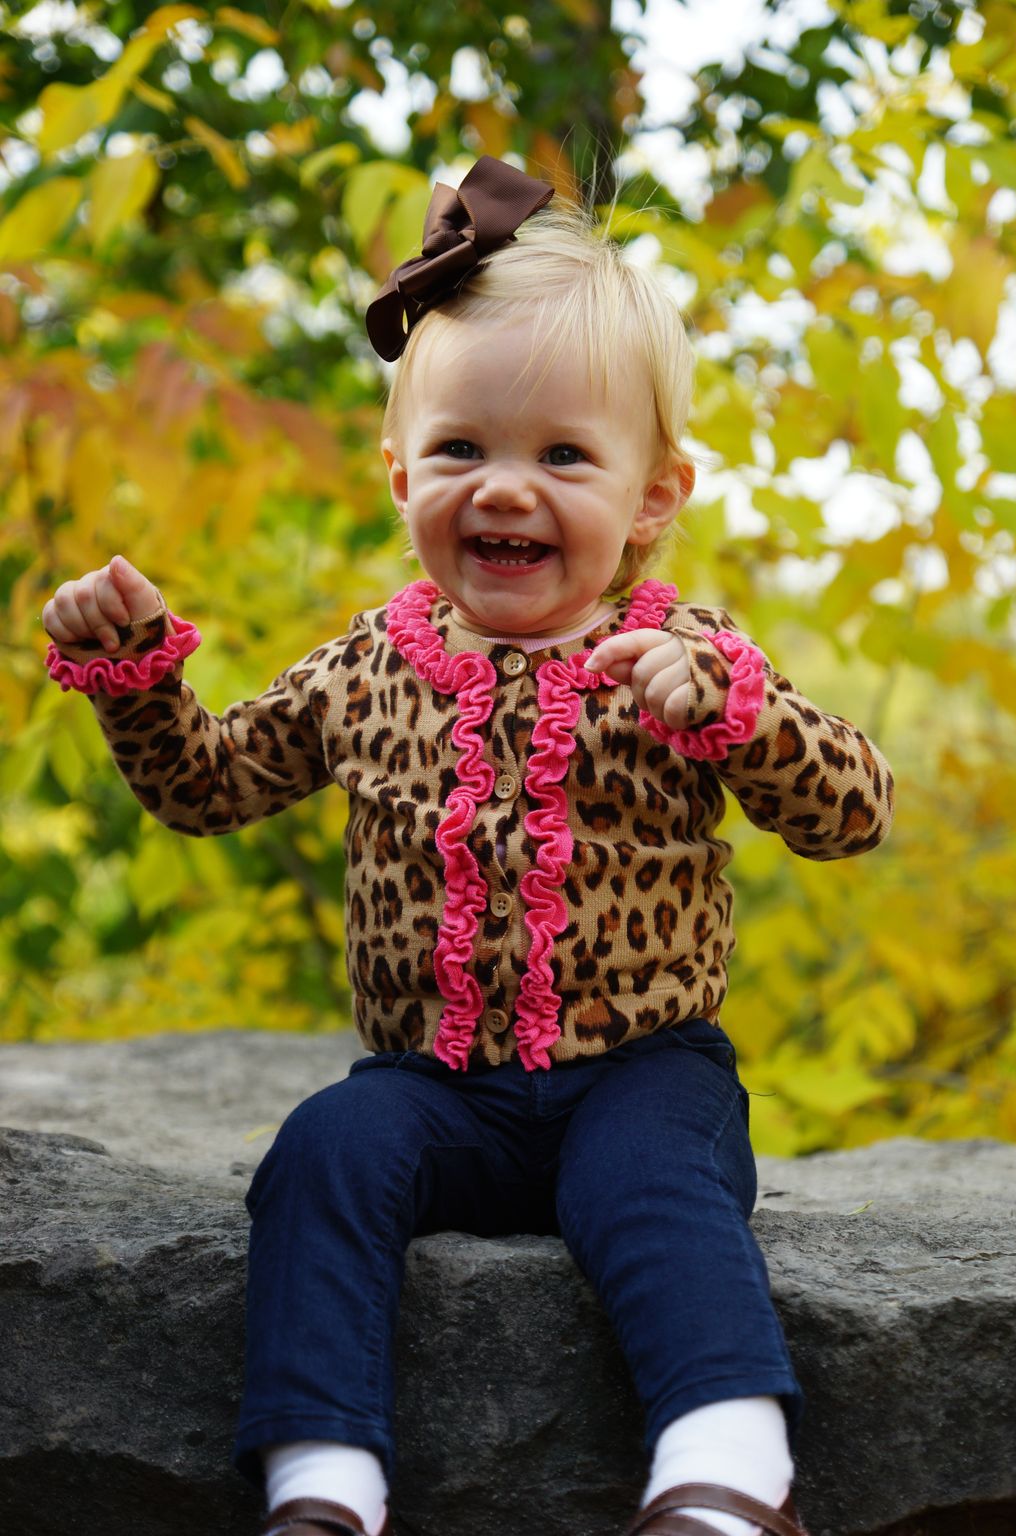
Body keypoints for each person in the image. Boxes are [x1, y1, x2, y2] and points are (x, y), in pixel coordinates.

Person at [41, 156, 894, 1536]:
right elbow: (210, 787)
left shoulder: (678, 660)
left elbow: (853, 810)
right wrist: (136, 679)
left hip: (640, 1070)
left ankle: (729, 1473)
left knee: (655, 1192)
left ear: (655, 492)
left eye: (564, 455)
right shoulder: (368, 667)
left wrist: (741, 721)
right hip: (433, 1083)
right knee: (323, 1152)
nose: (506, 490)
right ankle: (327, 1486)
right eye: (461, 450)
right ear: (399, 476)